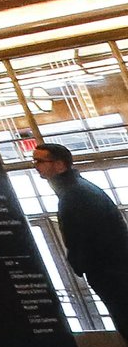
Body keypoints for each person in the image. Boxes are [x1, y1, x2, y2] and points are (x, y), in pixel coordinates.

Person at [34, 141, 128, 334]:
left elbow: (87, 235)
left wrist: (80, 263)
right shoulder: (78, 189)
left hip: (110, 271)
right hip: (113, 268)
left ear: (59, 165)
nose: (36, 166)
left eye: (40, 161)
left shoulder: (75, 194)